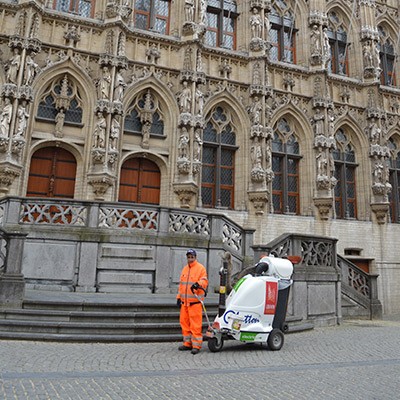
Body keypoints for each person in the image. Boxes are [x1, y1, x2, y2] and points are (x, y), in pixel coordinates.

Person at [176, 249, 208, 355]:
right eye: (188, 257)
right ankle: (187, 343)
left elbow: (204, 281)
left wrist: (198, 284)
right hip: (185, 303)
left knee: (195, 325)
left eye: (192, 257)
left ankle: (196, 345)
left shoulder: (200, 268)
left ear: (195, 257)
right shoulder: (185, 269)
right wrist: (178, 297)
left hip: (195, 302)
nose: (190, 259)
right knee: (184, 323)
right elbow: (181, 285)